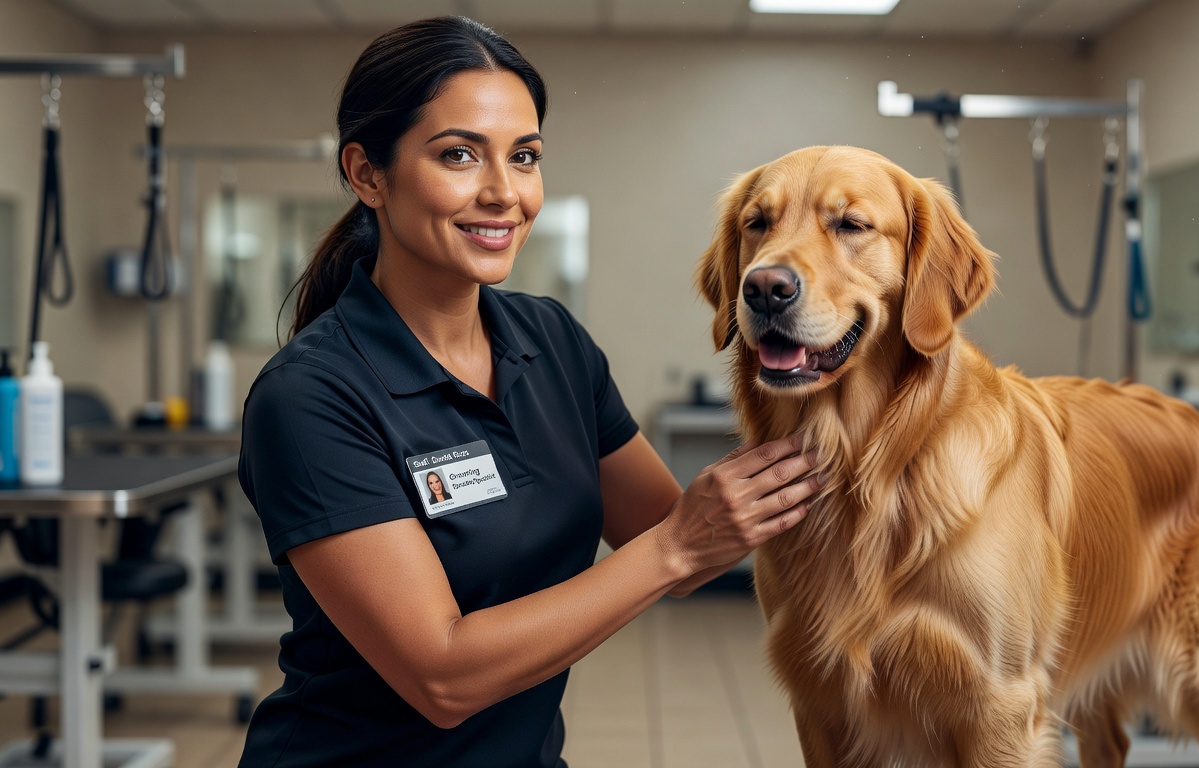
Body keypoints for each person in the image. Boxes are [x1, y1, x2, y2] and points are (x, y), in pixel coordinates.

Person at [236, 16, 819, 768]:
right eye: (458, 156)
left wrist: (858, 439)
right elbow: (442, 675)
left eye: (525, 157)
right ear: (366, 173)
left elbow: (679, 544)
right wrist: (677, 548)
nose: (504, 194)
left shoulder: (552, 343)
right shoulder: (311, 396)